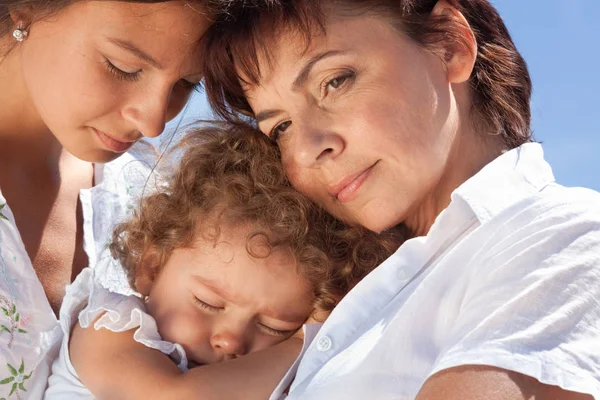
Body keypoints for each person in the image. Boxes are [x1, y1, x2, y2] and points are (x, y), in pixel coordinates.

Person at [200, 0, 600, 399]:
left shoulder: (563, 236)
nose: (305, 150)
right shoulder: (333, 292)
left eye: (335, 81)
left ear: (450, 46)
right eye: (281, 127)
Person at [44, 123, 401, 399]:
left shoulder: (256, 375)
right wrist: (304, 342)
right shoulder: (110, 327)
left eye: (275, 327)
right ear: (151, 267)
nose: (231, 341)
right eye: (208, 303)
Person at [0, 1, 212, 397]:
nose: (152, 121)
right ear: (25, 8)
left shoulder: (157, 193)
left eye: (187, 84)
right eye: (124, 67)